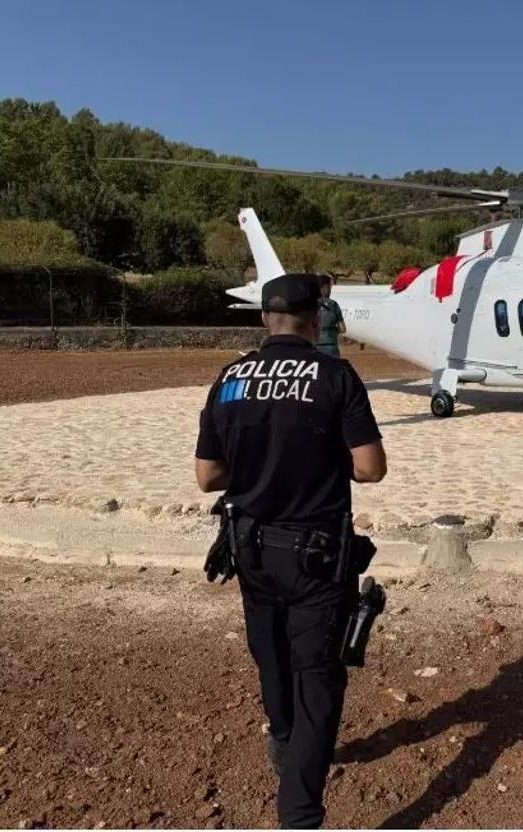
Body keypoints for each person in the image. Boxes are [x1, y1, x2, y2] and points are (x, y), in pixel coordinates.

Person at [194, 273, 387, 828]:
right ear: (315, 319)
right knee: (319, 676)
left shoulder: (229, 377)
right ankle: (300, 814)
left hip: (247, 546)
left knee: (270, 651)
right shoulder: (335, 377)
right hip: (314, 553)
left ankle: (282, 742)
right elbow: (370, 467)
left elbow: (208, 477)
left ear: (264, 319)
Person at [316, 275, 346, 358]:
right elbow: (343, 329)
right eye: (330, 287)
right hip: (330, 345)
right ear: (325, 287)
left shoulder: (310, 305)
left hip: (314, 346)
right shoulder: (333, 304)